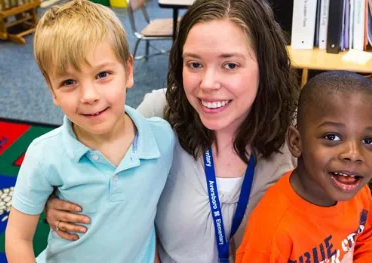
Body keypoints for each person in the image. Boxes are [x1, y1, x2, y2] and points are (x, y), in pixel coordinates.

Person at [43, 0, 301, 262]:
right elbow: (78, 158)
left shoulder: (296, 131)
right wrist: (52, 200)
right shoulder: (158, 114)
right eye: (195, 64)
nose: (208, 84)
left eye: (230, 65)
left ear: (265, 66)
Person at [4, 0, 175, 262]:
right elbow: (17, 237)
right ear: (52, 90)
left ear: (128, 71)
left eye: (103, 74)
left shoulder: (163, 138)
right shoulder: (43, 155)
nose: (89, 96)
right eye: (69, 82)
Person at [235, 71, 372, 263]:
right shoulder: (271, 229)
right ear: (296, 142)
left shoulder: (359, 193)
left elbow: (367, 241)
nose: (354, 155)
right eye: (332, 137)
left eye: (370, 140)